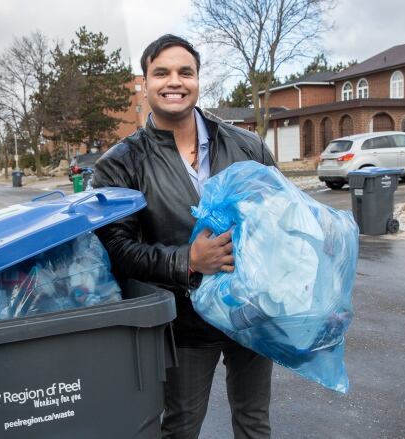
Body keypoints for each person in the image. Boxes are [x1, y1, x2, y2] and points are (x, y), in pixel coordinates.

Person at [93, 34, 276, 438]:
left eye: (184, 72)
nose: (174, 81)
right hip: (185, 324)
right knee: (180, 426)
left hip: (251, 313)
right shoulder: (121, 163)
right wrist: (187, 261)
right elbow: (116, 249)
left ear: (197, 80)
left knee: (254, 421)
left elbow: (280, 220)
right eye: (162, 73)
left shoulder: (247, 146)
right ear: (146, 82)